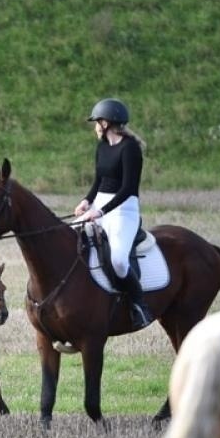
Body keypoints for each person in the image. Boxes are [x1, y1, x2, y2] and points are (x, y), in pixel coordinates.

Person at [72, 97, 152, 328]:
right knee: (70, 238)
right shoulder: (103, 146)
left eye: (97, 121)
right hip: (99, 206)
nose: (95, 126)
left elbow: (128, 189)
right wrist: (87, 201)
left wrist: (101, 211)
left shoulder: (130, 149)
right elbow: (100, 180)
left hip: (124, 210)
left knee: (118, 260)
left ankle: (139, 305)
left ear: (106, 123)